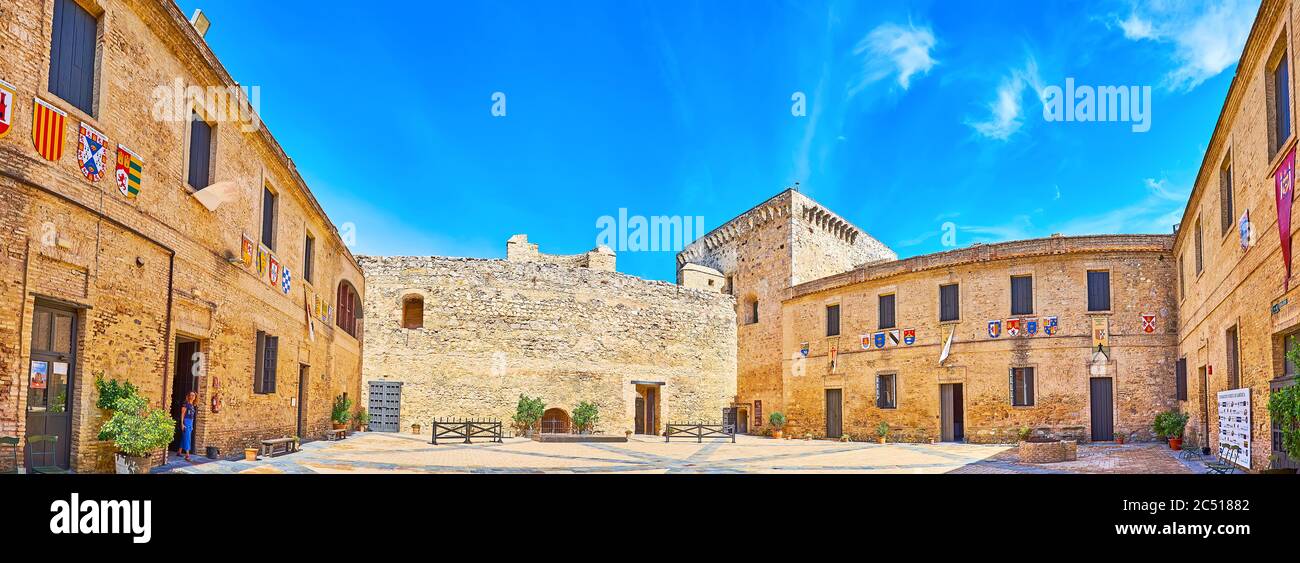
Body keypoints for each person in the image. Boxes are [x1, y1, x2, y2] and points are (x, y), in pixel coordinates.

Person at [178, 391, 197, 462]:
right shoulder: (185, 404)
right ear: (188, 396)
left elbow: (192, 417)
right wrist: (182, 424)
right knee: (187, 438)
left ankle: (179, 451)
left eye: (193, 395)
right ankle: (187, 455)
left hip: (190, 422)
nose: (192, 397)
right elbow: (182, 414)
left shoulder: (192, 405)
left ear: (195, 397)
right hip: (185, 421)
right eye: (191, 395)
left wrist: (192, 425)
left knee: (184, 437)